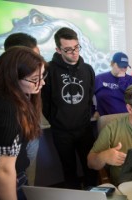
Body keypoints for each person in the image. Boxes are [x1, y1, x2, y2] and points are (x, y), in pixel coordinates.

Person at [41, 27, 98, 189]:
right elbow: (44, 102)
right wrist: (56, 119)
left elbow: (88, 97)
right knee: (68, 168)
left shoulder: (88, 70)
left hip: (84, 128)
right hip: (61, 131)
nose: (74, 52)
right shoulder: (49, 70)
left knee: (90, 166)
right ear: (58, 50)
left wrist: (85, 117)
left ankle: (92, 194)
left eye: (76, 47)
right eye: (68, 49)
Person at [0, 46, 46, 200]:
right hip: (7, 180)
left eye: (43, 76)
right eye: (35, 79)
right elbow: (2, 169)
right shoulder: (7, 109)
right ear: (12, 78)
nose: (42, 83)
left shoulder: (17, 97)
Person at [3, 32, 41, 186]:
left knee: (27, 181)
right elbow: (3, 169)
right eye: (33, 57)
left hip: (30, 133)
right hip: (11, 151)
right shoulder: (3, 104)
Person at [94, 52, 132, 116]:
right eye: (120, 66)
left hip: (126, 119)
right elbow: (87, 98)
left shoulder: (131, 80)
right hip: (106, 119)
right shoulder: (99, 79)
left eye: (125, 67)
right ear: (112, 64)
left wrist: (122, 80)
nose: (122, 69)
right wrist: (93, 111)